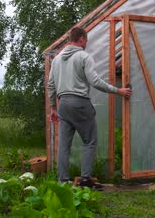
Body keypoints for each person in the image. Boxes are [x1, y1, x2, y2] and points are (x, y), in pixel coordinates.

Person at [47, 27, 132, 190]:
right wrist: (118, 90)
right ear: (80, 39)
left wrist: (53, 108)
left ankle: (63, 182)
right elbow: (95, 81)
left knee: (64, 146)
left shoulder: (56, 60)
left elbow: (51, 85)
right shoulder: (83, 56)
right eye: (86, 40)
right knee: (90, 141)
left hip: (63, 104)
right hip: (80, 104)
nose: (86, 43)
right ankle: (85, 180)